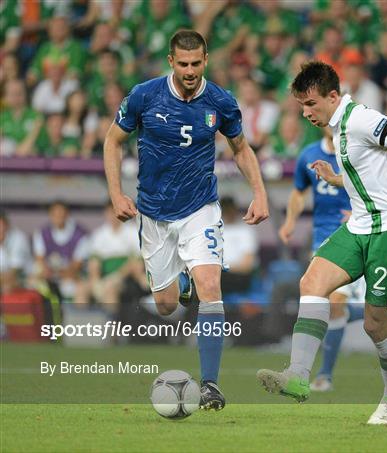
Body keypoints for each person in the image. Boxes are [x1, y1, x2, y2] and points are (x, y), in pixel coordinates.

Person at [257, 61, 387, 425]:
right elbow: (369, 173)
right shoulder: (338, 129)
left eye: (311, 104)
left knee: (375, 324)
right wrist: (337, 179)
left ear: (333, 96)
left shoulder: (360, 119)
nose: (306, 113)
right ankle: (299, 376)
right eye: (301, 106)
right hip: (361, 226)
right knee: (311, 283)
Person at [103, 30, 269, 411]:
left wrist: (260, 192)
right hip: (155, 213)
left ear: (206, 61)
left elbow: (241, 149)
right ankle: (179, 280)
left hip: (200, 209)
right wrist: (116, 193)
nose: (190, 70)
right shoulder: (145, 95)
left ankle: (210, 385)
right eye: (183, 64)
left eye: (196, 63)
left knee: (211, 285)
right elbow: (112, 140)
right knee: (165, 306)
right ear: (170, 62)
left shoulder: (220, 101)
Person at [279, 126, 366, 392]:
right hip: (322, 241)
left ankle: (321, 373)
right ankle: (320, 375)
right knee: (329, 303)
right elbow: (298, 191)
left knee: (337, 305)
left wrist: (360, 213)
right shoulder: (308, 154)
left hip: (355, 236)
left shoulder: (357, 154)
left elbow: (376, 188)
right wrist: (290, 221)